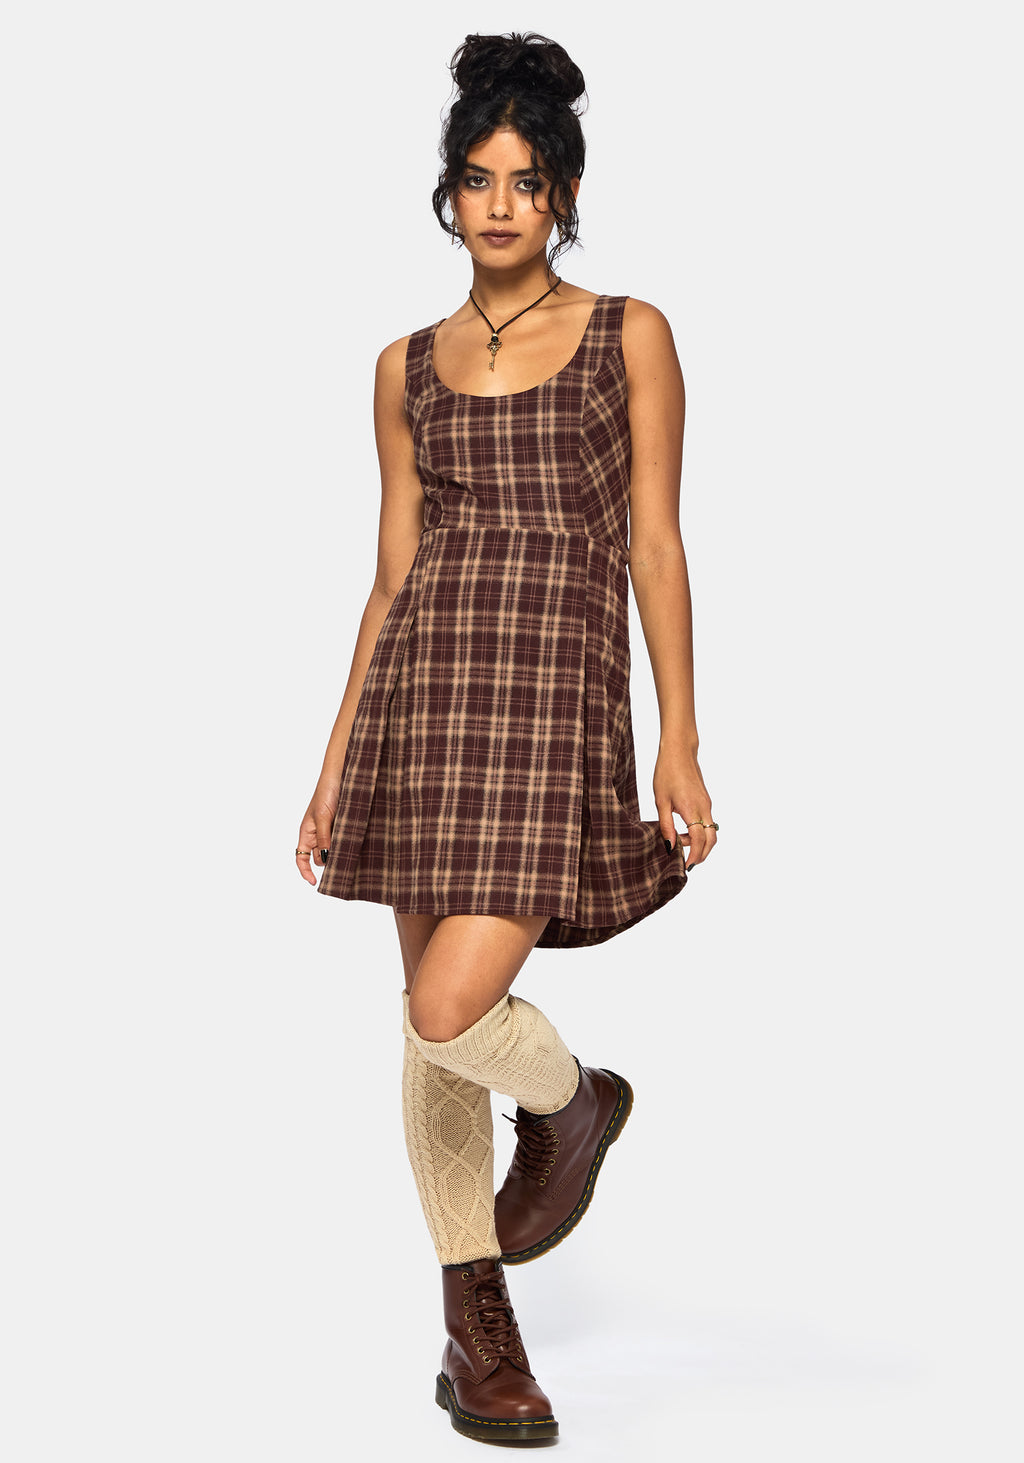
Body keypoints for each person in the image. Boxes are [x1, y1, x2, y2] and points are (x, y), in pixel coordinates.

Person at [295, 31, 717, 1445]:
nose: (498, 205)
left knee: (450, 1006)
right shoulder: (401, 366)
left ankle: (576, 1105)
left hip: (550, 701)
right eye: (477, 179)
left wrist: (678, 739)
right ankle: (475, 1332)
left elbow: (656, 544)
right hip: (424, 702)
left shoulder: (628, 334)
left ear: (565, 195)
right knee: (428, 1037)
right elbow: (389, 578)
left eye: (525, 182)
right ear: (448, 193)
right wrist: (335, 765)